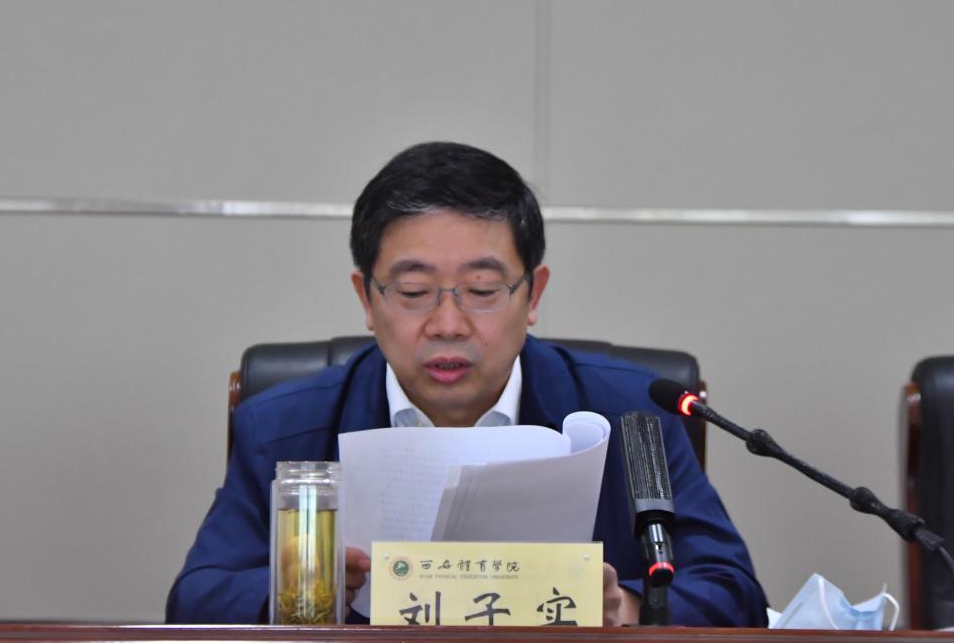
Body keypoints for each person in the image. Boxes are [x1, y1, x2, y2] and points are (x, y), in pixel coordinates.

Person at [166, 141, 769, 627]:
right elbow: (196, 599)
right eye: (413, 292)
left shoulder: (633, 415)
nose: (448, 324)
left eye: (482, 291)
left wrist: (628, 608)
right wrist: (306, 591)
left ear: (533, 295)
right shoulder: (283, 428)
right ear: (366, 300)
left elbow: (733, 591)